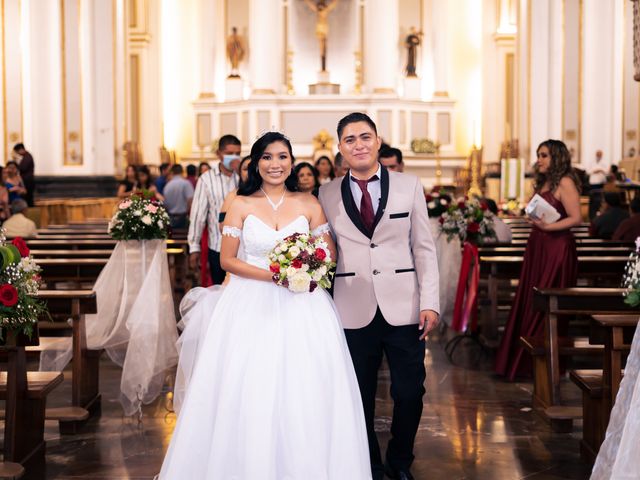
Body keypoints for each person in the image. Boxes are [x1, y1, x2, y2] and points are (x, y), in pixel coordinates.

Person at [159, 132, 370, 479]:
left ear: (291, 161)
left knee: (305, 386)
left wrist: (307, 266)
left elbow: (328, 252)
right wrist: (275, 275)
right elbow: (227, 261)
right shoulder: (240, 203)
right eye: (268, 157)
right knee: (249, 386)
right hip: (250, 304)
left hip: (304, 305)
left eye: (283, 156)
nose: (276, 164)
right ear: (256, 163)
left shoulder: (309, 204)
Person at [318, 112, 440, 480]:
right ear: (340, 148)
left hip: (404, 306)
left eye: (365, 137)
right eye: (350, 139)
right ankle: (367, 464)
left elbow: (424, 247)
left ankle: (400, 461)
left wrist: (430, 301)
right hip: (351, 308)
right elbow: (323, 250)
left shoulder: (409, 185)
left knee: (409, 392)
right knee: (359, 396)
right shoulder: (324, 194)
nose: (359, 144)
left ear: (378, 140)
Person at [495, 139, 582, 380]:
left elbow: (576, 218)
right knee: (530, 298)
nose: (539, 160)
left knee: (548, 301)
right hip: (539, 246)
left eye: (544, 155)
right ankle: (524, 360)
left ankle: (541, 364)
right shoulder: (545, 182)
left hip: (557, 249)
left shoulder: (565, 181)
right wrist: (534, 220)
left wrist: (548, 226)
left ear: (557, 157)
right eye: (538, 155)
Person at [188, 134, 241, 285]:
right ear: (219, 154)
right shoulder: (206, 179)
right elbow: (198, 215)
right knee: (220, 290)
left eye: (237, 153)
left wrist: (242, 175)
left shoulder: (244, 178)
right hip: (217, 246)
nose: (234, 157)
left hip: (243, 248)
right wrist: (194, 247)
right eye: (229, 153)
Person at [163, 164, 194, 229]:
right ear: (182, 171)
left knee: (172, 237)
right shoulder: (186, 183)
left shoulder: (167, 185)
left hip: (170, 217)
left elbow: (165, 202)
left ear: (172, 172)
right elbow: (190, 200)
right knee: (183, 238)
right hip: (183, 217)